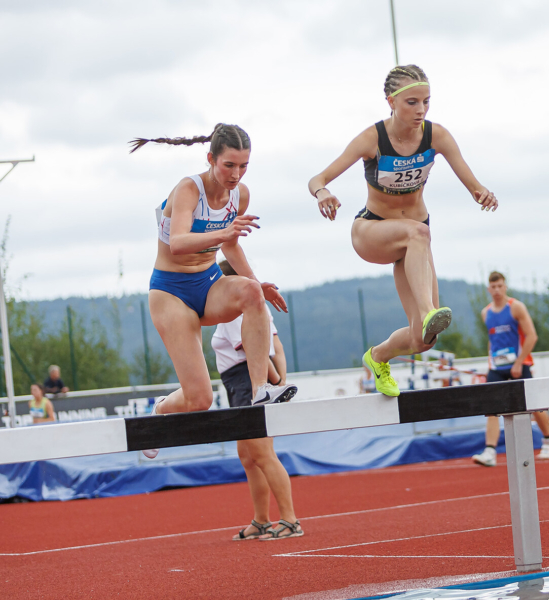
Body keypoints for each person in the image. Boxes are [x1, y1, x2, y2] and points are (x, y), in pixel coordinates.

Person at [308, 65, 498, 397]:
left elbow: (474, 185)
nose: (421, 110)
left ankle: (378, 357)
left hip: (412, 243)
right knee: (419, 235)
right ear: (390, 102)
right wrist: (323, 194)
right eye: (412, 102)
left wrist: (484, 193)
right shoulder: (372, 139)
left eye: (426, 101)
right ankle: (429, 313)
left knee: (423, 340)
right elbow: (317, 179)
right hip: (372, 231)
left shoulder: (436, 136)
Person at [129, 124, 297, 460]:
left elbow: (231, 245)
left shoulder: (240, 194)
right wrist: (223, 231)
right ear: (211, 159)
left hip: (208, 283)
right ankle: (159, 410)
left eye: (244, 166)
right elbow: (177, 243)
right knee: (199, 400)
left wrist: (257, 283)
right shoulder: (189, 189)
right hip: (171, 291)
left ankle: (261, 390)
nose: (236, 174)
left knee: (250, 292)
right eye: (229, 165)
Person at [211, 260, 303, 541]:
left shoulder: (234, 311)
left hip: (245, 381)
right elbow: (276, 345)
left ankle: (290, 519)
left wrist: (273, 381)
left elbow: (254, 352)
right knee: (249, 456)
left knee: (261, 454)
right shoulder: (255, 308)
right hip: (244, 382)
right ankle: (262, 520)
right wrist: (280, 380)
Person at [472, 271, 549, 467]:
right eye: (493, 287)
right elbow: (492, 341)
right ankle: (490, 451)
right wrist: (490, 364)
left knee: (533, 404)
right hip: (497, 366)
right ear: (488, 289)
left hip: (520, 363)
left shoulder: (516, 307)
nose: (497, 290)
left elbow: (531, 336)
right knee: (491, 407)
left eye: (500, 286)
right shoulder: (486, 313)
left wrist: (518, 362)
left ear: (505, 286)